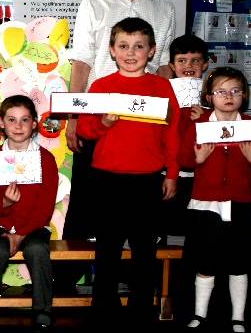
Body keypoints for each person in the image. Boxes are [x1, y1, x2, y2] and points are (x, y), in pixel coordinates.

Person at [64, 0, 176, 243]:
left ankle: (140, 277)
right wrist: (74, 117)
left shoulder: (164, 7)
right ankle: (72, 279)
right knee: (88, 198)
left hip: (145, 117)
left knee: (143, 206)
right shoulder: (93, 4)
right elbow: (82, 62)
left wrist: (165, 118)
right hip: (100, 113)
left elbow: (165, 66)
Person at [76, 17, 180, 329]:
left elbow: (173, 134)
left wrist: (172, 173)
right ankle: (103, 310)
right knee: (107, 248)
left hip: (147, 180)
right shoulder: (101, 86)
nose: (130, 52)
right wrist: (103, 123)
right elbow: (84, 129)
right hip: (107, 179)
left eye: (138, 46)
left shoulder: (161, 87)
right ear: (111, 50)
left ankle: (140, 312)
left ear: (152, 51)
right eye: (123, 46)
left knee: (144, 251)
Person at [179, 67, 251, 332]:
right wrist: (196, 160)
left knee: (239, 261)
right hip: (206, 204)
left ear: (244, 96)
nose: (228, 96)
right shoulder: (199, 126)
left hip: (239, 203)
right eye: (221, 91)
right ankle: (199, 315)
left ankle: (238, 317)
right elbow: (184, 159)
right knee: (205, 260)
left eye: (235, 91)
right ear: (209, 96)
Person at [0, 95, 59, 332]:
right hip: (0, 226)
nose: (18, 126)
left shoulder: (46, 159)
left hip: (33, 227)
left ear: (34, 123)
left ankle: (43, 309)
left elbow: (45, 207)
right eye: (12, 120)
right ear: (1, 123)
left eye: (25, 120)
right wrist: (4, 201)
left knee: (36, 249)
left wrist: (21, 234)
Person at [164, 34, 210, 238]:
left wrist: (205, 118)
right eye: (182, 60)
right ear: (172, 66)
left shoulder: (212, 95)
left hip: (200, 175)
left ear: (206, 64)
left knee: (194, 227)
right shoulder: (163, 91)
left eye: (196, 60)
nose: (188, 65)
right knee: (167, 223)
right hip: (168, 172)